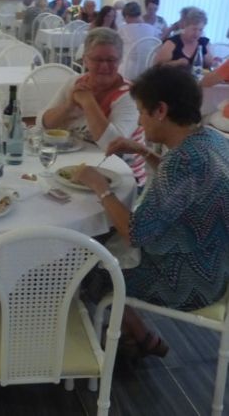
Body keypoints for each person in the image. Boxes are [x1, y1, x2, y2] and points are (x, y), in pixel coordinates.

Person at [73, 65, 229, 356]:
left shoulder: (184, 161)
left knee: (83, 266)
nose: (139, 122)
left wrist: (99, 186)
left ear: (160, 110)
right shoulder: (209, 139)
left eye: (142, 112)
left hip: (187, 281)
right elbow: (185, 190)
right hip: (215, 266)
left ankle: (139, 336)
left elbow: (135, 233)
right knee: (101, 245)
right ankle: (137, 336)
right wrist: (144, 151)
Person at [40, 27, 146, 187]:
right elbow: (43, 124)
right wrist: (68, 106)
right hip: (75, 166)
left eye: (111, 60)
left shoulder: (130, 95)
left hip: (122, 177)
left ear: (120, 60)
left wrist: (88, 102)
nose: (104, 66)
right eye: (97, 59)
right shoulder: (75, 83)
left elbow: (112, 145)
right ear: (85, 60)